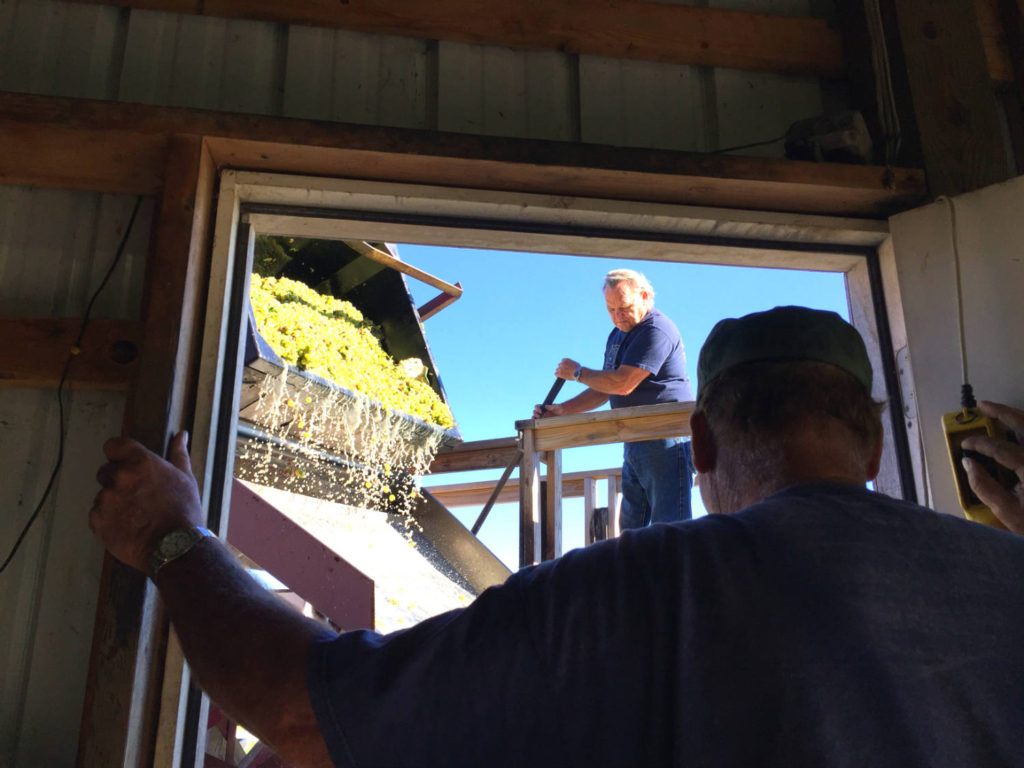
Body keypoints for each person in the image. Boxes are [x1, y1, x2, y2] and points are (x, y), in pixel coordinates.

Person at [90, 306, 1024, 768]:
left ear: (697, 441)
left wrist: (173, 533)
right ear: (872, 435)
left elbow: (301, 711)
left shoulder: (638, 589)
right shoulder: (1007, 579)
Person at [533, 268, 694, 530]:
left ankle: (676, 573)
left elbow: (623, 383)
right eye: (610, 310)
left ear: (644, 296)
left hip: (666, 438)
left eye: (624, 308)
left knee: (671, 529)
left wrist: (578, 372)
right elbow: (604, 388)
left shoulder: (657, 329)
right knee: (631, 531)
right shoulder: (617, 335)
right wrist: (563, 410)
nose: (618, 317)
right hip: (633, 440)